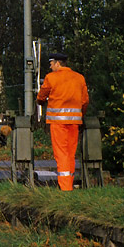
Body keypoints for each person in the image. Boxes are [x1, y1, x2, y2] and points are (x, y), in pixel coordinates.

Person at [36, 52, 89, 191]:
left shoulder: (51, 78)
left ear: (57, 63)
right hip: (74, 123)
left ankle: (65, 188)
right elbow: (85, 101)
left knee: (61, 153)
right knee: (70, 153)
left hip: (58, 122)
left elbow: (41, 96)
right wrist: (80, 115)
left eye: (51, 64)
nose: (50, 67)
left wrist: (40, 101)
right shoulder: (79, 78)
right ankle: (69, 183)